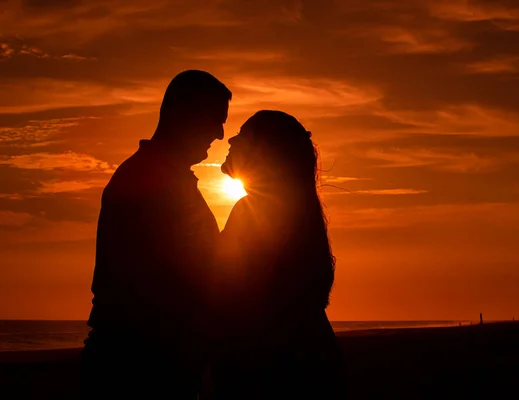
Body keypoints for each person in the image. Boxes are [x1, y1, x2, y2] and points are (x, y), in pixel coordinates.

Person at [80, 70, 231, 399]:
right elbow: (159, 283)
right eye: (215, 120)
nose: (220, 134)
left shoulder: (166, 177)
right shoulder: (148, 179)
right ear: (182, 113)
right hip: (141, 369)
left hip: (155, 362)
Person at [212, 110, 345, 399]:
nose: (230, 141)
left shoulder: (256, 210)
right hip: (302, 357)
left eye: (242, 137)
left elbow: (228, 288)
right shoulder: (297, 207)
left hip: (269, 365)